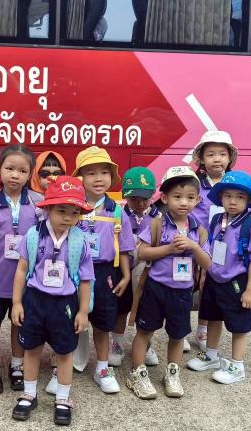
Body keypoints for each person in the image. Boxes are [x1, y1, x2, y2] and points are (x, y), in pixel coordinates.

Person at [11, 176, 93, 425]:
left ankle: (63, 398)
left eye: (74, 212)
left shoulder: (80, 240)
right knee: (32, 349)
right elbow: (21, 270)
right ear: (47, 208)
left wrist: (83, 311)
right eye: (61, 210)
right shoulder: (33, 236)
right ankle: (29, 394)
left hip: (65, 303)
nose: (68, 217)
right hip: (35, 300)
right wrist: (17, 302)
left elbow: (86, 279)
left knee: (65, 352)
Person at [128, 167, 211, 399]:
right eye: (177, 196)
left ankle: (172, 373)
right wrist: (168, 249)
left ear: (198, 199)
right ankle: (137, 372)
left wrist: (194, 247)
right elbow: (142, 253)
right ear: (164, 198)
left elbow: (208, 263)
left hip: (182, 292)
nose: (184, 202)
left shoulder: (199, 231)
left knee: (177, 335)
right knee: (144, 331)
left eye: (190, 197)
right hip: (155, 288)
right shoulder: (157, 224)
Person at [187, 171, 251, 385]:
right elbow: (211, 248)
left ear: (248, 200)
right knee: (213, 317)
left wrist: (250, 291)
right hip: (214, 278)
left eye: (240, 197)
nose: (233, 201)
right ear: (220, 197)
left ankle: (237, 366)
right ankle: (211, 355)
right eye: (228, 195)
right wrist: (204, 274)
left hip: (236, 283)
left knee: (239, 325)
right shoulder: (216, 220)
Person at [72, 146, 133, 393]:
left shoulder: (117, 210)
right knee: (70, 317)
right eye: (91, 173)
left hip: (105, 273)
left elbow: (125, 247)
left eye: (104, 172)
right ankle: (62, 365)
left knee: (103, 322)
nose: (98, 179)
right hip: (75, 272)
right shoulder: (72, 206)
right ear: (80, 177)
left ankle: (102, 368)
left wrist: (126, 275)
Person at [0, 145, 41, 393]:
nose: (15, 175)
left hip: (26, 279)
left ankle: (17, 365)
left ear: (30, 174)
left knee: (20, 321)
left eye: (22, 171)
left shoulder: (38, 203)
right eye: (10, 168)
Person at [190, 130, 238, 351]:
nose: (216, 159)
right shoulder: (195, 184)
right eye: (210, 154)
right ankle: (179, 331)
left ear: (230, 158)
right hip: (196, 243)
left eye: (222, 154)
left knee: (208, 288)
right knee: (187, 284)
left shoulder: (234, 185)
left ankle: (203, 330)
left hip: (222, 248)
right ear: (201, 158)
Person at [109, 166, 160, 368]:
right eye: (134, 199)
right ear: (125, 196)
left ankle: (146, 343)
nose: (139, 204)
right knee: (121, 308)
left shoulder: (160, 219)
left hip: (148, 270)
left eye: (144, 199)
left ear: (153, 194)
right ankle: (117, 344)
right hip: (123, 269)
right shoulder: (118, 215)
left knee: (147, 308)